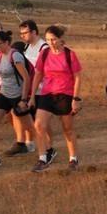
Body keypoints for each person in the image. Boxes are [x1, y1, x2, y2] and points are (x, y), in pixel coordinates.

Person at [27, 25, 83, 172]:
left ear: (60, 39)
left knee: (67, 129)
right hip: (47, 93)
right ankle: (43, 158)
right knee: (39, 125)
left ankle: (73, 159)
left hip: (65, 94)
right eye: (47, 40)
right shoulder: (44, 53)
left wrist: (75, 99)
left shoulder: (70, 54)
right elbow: (38, 74)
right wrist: (32, 96)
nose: (50, 43)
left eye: (53, 39)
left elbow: (77, 77)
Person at [0, 33, 34, 167]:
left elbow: (26, 78)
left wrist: (23, 99)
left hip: (17, 96)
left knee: (31, 127)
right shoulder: (0, 56)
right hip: (4, 94)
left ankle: (48, 150)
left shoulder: (15, 56)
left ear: (6, 43)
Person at [19, 19, 52, 157]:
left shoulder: (44, 48)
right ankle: (42, 146)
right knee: (34, 120)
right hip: (31, 89)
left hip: (43, 89)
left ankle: (49, 148)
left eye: (25, 32)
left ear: (34, 32)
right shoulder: (26, 47)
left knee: (43, 122)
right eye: (21, 33)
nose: (22, 36)